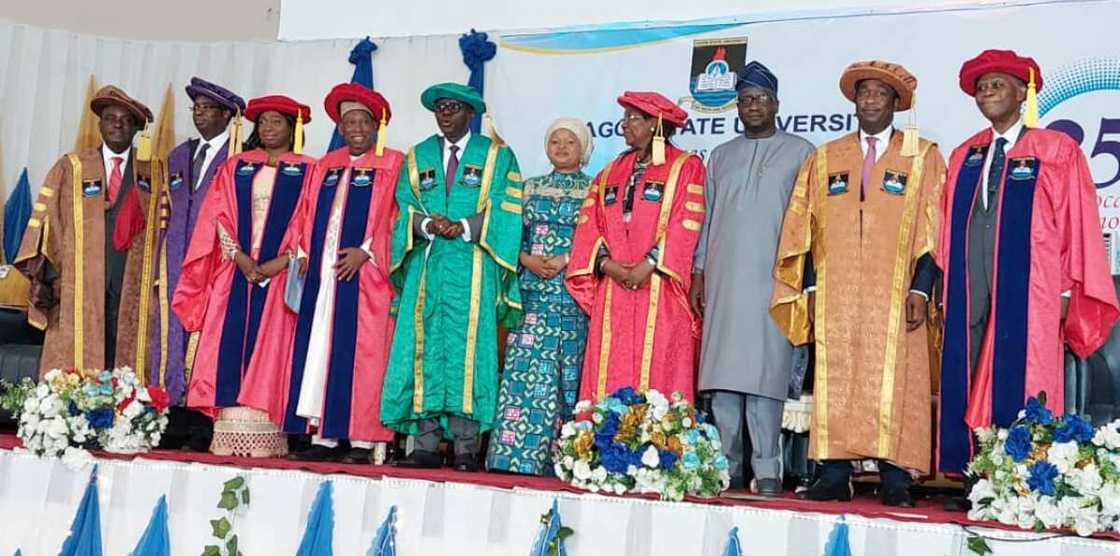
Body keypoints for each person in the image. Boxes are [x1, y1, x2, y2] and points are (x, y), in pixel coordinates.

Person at [770, 61, 946, 507]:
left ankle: (895, 476)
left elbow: (935, 230)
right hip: (837, 292)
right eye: (864, 93)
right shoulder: (827, 157)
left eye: (880, 95)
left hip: (897, 293)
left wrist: (922, 288)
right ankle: (832, 472)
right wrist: (809, 288)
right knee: (837, 377)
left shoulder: (922, 156)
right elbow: (803, 228)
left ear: (895, 104)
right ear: (854, 100)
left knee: (899, 379)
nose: (870, 101)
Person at [937, 50, 1120, 478]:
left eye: (997, 85)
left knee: (1024, 371)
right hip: (971, 287)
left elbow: (1077, 224)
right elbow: (948, 226)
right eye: (981, 88)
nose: (987, 94)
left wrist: (1064, 291)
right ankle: (975, 473)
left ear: (1022, 92)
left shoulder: (1057, 150)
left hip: (1032, 290)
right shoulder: (966, 153)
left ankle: (1021, 474)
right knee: (966, 372)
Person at [248, 83, 402, 465]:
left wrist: (366, 252)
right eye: (348, 121)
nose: (355, 128)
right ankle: (326, 433)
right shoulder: (325, 165)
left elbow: (395, 218)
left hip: (365, 278)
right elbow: (304, 213)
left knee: (364, 354)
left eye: (363, 121)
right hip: (323, 276)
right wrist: (300, 251)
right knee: (320, 349)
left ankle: (363, 438)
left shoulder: (393, 164)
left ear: (375, 125)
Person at [382, 82, 523, 471]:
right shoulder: (419, 156)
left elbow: (507, 210)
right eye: (440, 108)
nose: (445, 114)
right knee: (423, 348)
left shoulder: (496, 156)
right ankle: (424, 445)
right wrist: (426, 224)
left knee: (469, 352)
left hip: (472, 267)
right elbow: (403, 209)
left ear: (470, 113)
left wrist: (462, 225)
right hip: (428, 266)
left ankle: (465, 448)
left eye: (454, 108)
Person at [691, 62, 814, 495]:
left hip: (775, 280)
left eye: (760, 99)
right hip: (724, 279)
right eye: (745, 100)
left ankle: (767, 472)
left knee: (765, 378)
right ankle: (726, 467)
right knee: (723, 378)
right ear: (737, 107)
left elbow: (811, 223)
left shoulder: (802, 152)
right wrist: (700, 270)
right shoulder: (721, 156)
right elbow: (707, 219)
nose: (753, 106)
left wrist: (806, 280)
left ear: (776, 104)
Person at [172, 95, 315, 457]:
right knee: (226, 341)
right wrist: (239, 258)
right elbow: (218, 216)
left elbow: (311, 222)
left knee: (275, 347)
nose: (267, 129)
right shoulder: (237, 165)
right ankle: (229, 426)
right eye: (262, 122)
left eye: (276, 122)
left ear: (293, 128)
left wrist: (279, 262)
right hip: (236, 271)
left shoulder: (310, 170)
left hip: (280, 276)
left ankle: (270, 434)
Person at [566, 91, 706, 403]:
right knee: (609, 367)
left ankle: (660, 447)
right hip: (614, 288)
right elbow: (590, 224)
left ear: (655, 124)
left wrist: (650, 263)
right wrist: (607, 265)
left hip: (659, 287)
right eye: (625, 117)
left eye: (633, 118)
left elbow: (687, 222)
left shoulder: (686, 166)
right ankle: (600, 443)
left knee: (658, 370)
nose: (624, 124)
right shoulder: (610, 171)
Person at [14, 85, 155, 375]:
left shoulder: (152, 174)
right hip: (78, 284)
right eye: (110, 117)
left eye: (125, 119)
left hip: (132, 288)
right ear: (99, 124)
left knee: (123, 359)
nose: (117, 123)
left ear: (135, 128)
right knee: (77, 358)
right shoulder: (72, 167)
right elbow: (48, 222)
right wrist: (56, 279)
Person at [486, 118, 595, 475]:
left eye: (570, 142)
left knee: (567, 376)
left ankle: (563, 463)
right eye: (555, 142)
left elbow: (600, 238)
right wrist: (526, 259)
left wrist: (567, 259)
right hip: (531, 294)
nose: (562, 148)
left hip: (572, 295)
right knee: (525, 372)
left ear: (584, 149)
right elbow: (509, 232)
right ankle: (514, 459)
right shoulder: (528, 188)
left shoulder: (595, 190)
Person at [150, 78, 245, 456]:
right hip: (174, 261)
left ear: (227, 115)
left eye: (208, 108)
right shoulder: (177, 157)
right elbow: (163, 211)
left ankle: (202, 423)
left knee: (207, 340)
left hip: (216, 264)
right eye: (196, 108)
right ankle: (171, 416)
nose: (200, 113)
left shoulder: (240, 158)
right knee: (170, 337)